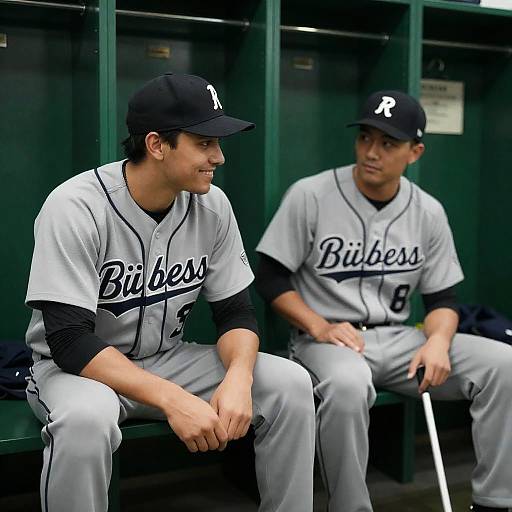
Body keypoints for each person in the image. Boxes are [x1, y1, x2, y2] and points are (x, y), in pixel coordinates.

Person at [25, 72, 315, 512]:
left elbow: (237, 314)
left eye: (219, 143)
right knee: (85, 420)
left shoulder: (213, 205)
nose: (218, 157)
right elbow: (68, 341)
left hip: (167, 360)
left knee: (289, 383)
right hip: (79, 372)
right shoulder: (75, 206)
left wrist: (238, 377)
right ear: (157, 145)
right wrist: (172, 399)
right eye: (204, 143)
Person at [255, 90, 512, 512]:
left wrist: (438, 342)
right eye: (365, 138)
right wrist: (319, 325)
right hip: (327, 341)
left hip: (399, 340)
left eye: (388, 143)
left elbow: (443, 297)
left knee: (503, 364)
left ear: (415, 151)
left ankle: (495, 501)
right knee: (348, 384)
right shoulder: (311, 194)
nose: (372, 152)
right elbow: (269, 277)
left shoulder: (427, 211)